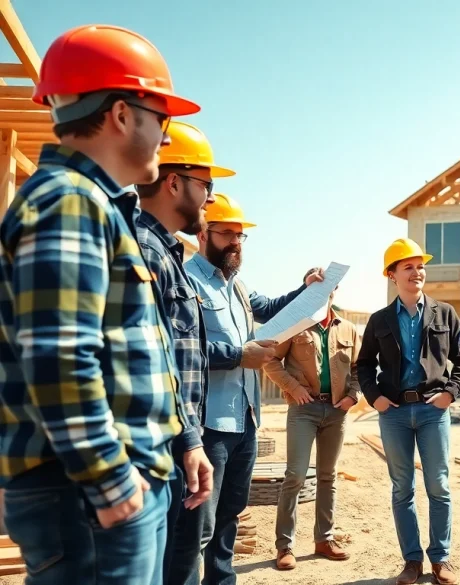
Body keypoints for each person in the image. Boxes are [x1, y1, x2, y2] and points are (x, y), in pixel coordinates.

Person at [0, 24, 200, 585]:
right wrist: (110, 479)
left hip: (108, 486)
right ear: (119, 114)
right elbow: (59, 356)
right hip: (88, 495)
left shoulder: (96, 207)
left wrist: (180, 444)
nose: (166, 136)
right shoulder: (68, 203)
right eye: (161, 118)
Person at [184, 193, 324, 584]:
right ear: (202, 232)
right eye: (226, 233)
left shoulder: (238, 287)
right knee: (198, 526)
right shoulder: (185, 281)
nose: (235, 242)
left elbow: (275, 307)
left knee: (229, 516)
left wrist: (307, 287)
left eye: (240, 235)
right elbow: (181, 349)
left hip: (245, 420)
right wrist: (235, 355)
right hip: (207, 424)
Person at [135, 120, 235, 584]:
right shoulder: (144, 252)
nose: (210, 199)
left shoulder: (166, 252)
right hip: (161, 452)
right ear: (174, 182)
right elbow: (156, 364)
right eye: (206, 186)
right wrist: (189, 442)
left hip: (181, 447)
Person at [355, 238, 460, 585]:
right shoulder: (379, 320)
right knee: (402, 488)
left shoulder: (444, 313)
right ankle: (411, 561)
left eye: (420, 266)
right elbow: (363, 365)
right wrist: (374, 397)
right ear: (392, 275)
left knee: (439, 486)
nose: (417, 272)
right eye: (408, 266)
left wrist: (450, 394)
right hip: (393, 414)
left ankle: (440, 559)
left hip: (432, 410)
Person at [265, 277, 362, 570]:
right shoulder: (296, 326)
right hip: (303, 410)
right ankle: (285, 547)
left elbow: (360, 367)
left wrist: (353, 396)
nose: (322, 293)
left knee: (328, 476)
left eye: (327, 287)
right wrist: (294, 388)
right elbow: (270, 360)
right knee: (294, 475)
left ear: (335, 291)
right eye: (314, 289)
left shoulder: (348, 329)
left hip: (336, 411)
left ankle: (324, 539)